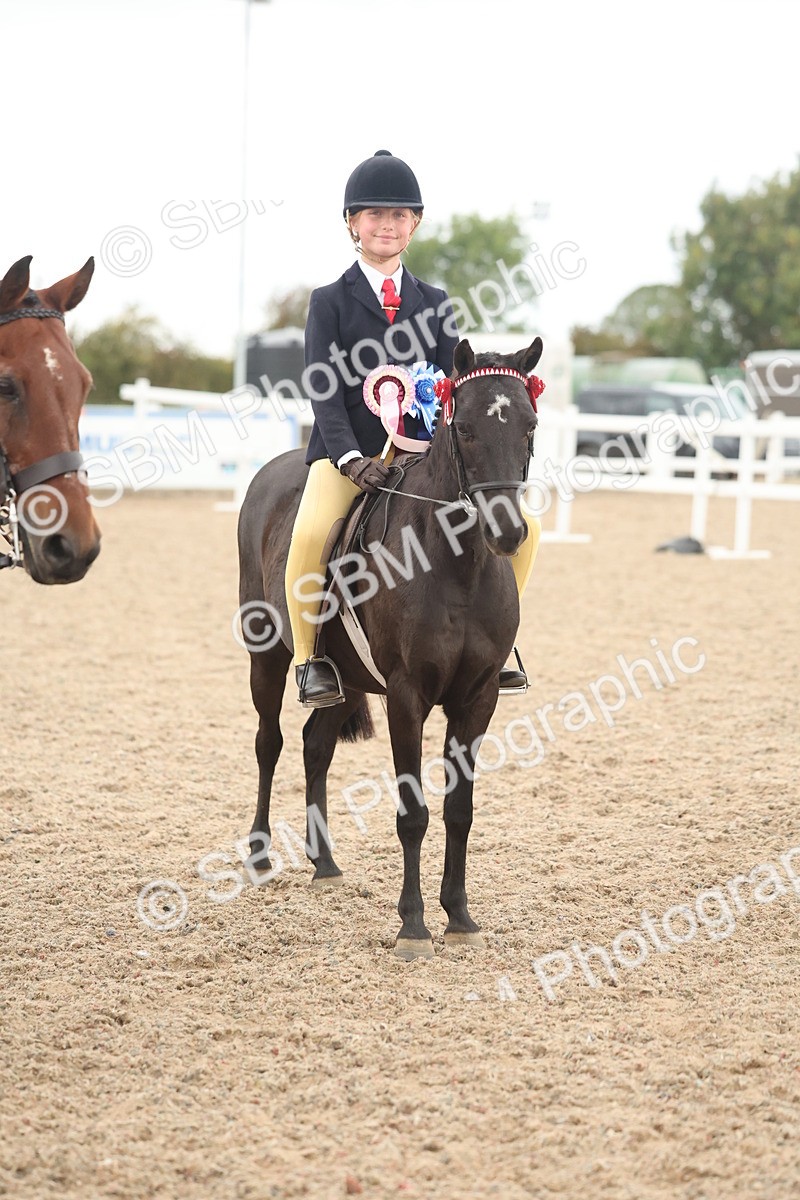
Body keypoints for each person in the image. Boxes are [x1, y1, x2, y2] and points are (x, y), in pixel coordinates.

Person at [285, 149, 540, 707]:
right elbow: (323, 388)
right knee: (309, 537)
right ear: (352, 224)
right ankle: (311, 660)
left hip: (422, 454)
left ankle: (496, 649)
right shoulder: (329, 302)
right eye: (374, 214)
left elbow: (454, 385)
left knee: (527, 531)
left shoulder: (436, 302)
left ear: (415, 223)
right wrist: (351, 458)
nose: (386, 224)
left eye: (399, 215)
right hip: (348, 456)